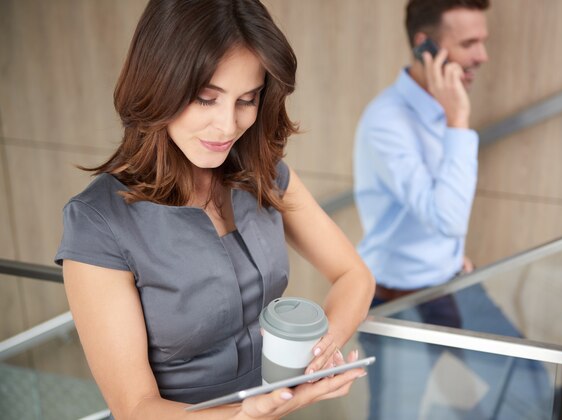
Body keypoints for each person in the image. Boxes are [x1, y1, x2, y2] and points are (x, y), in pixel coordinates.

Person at [55, 0, 375, 418]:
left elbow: (355, 276)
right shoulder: (98, 222)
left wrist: (316, 355)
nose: (227, 126)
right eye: (206, 99)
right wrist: (244, 416)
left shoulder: (262, 173)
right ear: (158, 84)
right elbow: (135, 407)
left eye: (247, 99)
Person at [353, 0, 489, 418]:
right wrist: (459, 120)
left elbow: (443, 211)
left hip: (448, 281)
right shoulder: (387, 121)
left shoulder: (444, 111)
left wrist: (449, 256)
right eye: (469, 43)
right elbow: (448, 218)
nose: (482, 56)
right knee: (397, 411)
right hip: (397, 299)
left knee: (511, 378)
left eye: (483, 41)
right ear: (424, 45)